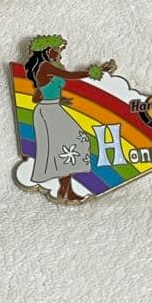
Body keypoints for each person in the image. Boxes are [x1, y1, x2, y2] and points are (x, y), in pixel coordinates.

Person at [23, 35, 115, 202]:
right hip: (49, 113)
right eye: (56, 50)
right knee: (74, 143)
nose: (59, 53)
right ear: (47, 51)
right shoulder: (45, 66)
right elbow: (70, 76)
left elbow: (36, 96)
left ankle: (66, 190)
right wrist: (98, 70)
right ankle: (65, 190)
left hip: (52, 108)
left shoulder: (48, 68)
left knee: (68, 147)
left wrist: (57, 99)